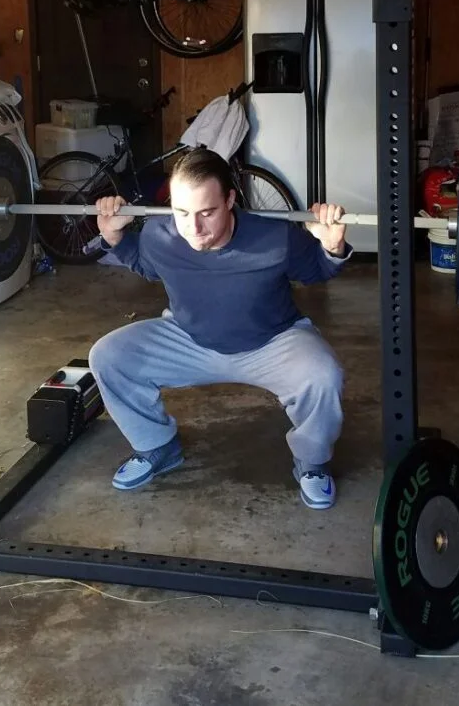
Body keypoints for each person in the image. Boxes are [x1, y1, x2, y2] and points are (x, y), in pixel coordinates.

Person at [87, 146, 352, 510]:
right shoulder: (158, 234)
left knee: (323, 375)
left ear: (230, 200)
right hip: (189, 339)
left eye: (207, 213)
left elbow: (317, 270)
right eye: (182, 212)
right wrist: (114, 238)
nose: (193, 228)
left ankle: (312, 461)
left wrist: (332, 246)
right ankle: (157, 446)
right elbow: (145, 264)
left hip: (271, 342)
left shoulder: (276, 237)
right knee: (108, 356)